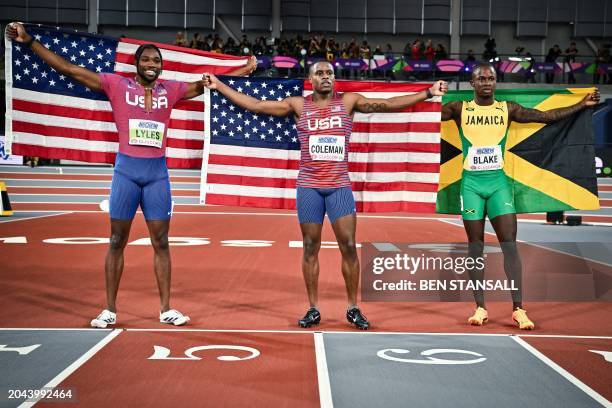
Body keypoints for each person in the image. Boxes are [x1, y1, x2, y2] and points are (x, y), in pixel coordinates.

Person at [5, 22, 257, 328]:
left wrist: (241, 71)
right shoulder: (116, 85)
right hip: (126, 174)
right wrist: (30, 42)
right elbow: (70, 69)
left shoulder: (172, 90)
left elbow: (210, 84)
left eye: (157, 61)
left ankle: (166, 309)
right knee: (116, 240)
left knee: (161, 242)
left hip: (157, 177)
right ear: (136, 63)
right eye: (147, 60)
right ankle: (109, 309)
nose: (152, 65)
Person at [202, 61, 448, 330]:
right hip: (309, 187)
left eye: (329, 73)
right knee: (310, 247)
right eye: (319, 73)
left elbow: (386, 105)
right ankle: (313, 308)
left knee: (349, 246)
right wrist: (220, 86)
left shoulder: (348, 102)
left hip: (339, 187)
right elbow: (257, 106)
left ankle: (353, 308)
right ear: (310, 79)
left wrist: (427, 92)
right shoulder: (297, 105)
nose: (325, 77)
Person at [441, 62, 599, 330]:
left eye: (491, 78)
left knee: (509, 245)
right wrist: (429, 93)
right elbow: (427, 114)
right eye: (482, 79)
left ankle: (518, 309)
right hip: (471, 187)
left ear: (495, 82)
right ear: (472, 84)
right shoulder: (459, 109)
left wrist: (581, 105)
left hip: (498, 185)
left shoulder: (508, 109)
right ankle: (480, 307)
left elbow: (546, 116)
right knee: (475, 246)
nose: (487, 83)